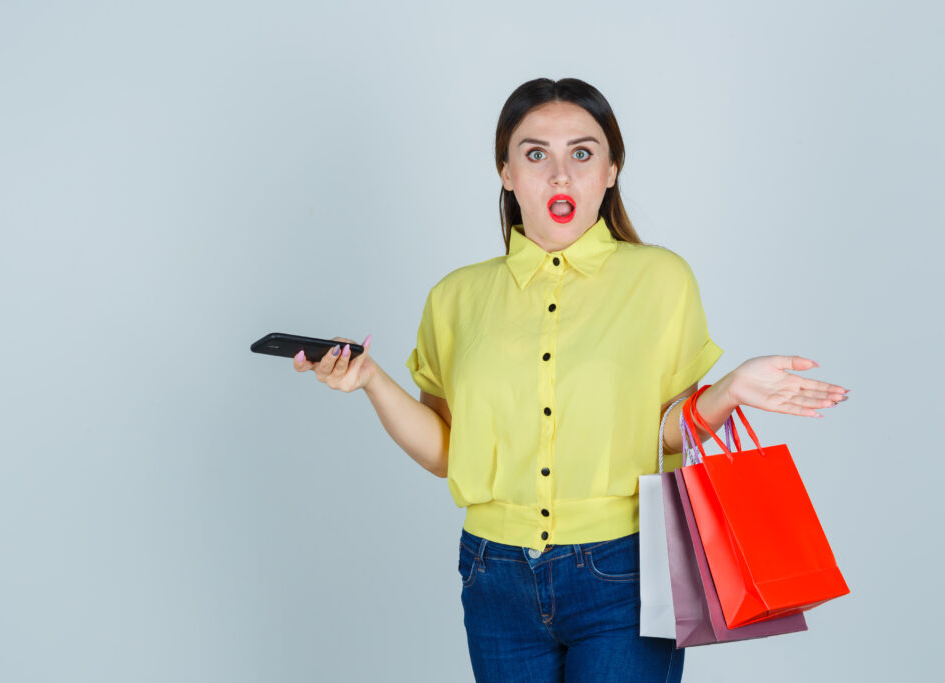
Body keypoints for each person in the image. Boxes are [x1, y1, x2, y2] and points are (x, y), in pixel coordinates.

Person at [291, 77, 849, 682]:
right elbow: (449, 452)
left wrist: (728, 390)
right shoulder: (456, 296)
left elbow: (664, 431)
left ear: (611, 169)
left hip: (623, 569)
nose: (560, 175)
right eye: (536, 154)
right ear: (506, 171)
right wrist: (371, 379)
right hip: (492, 573)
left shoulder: (660, 279)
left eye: (582, 153)